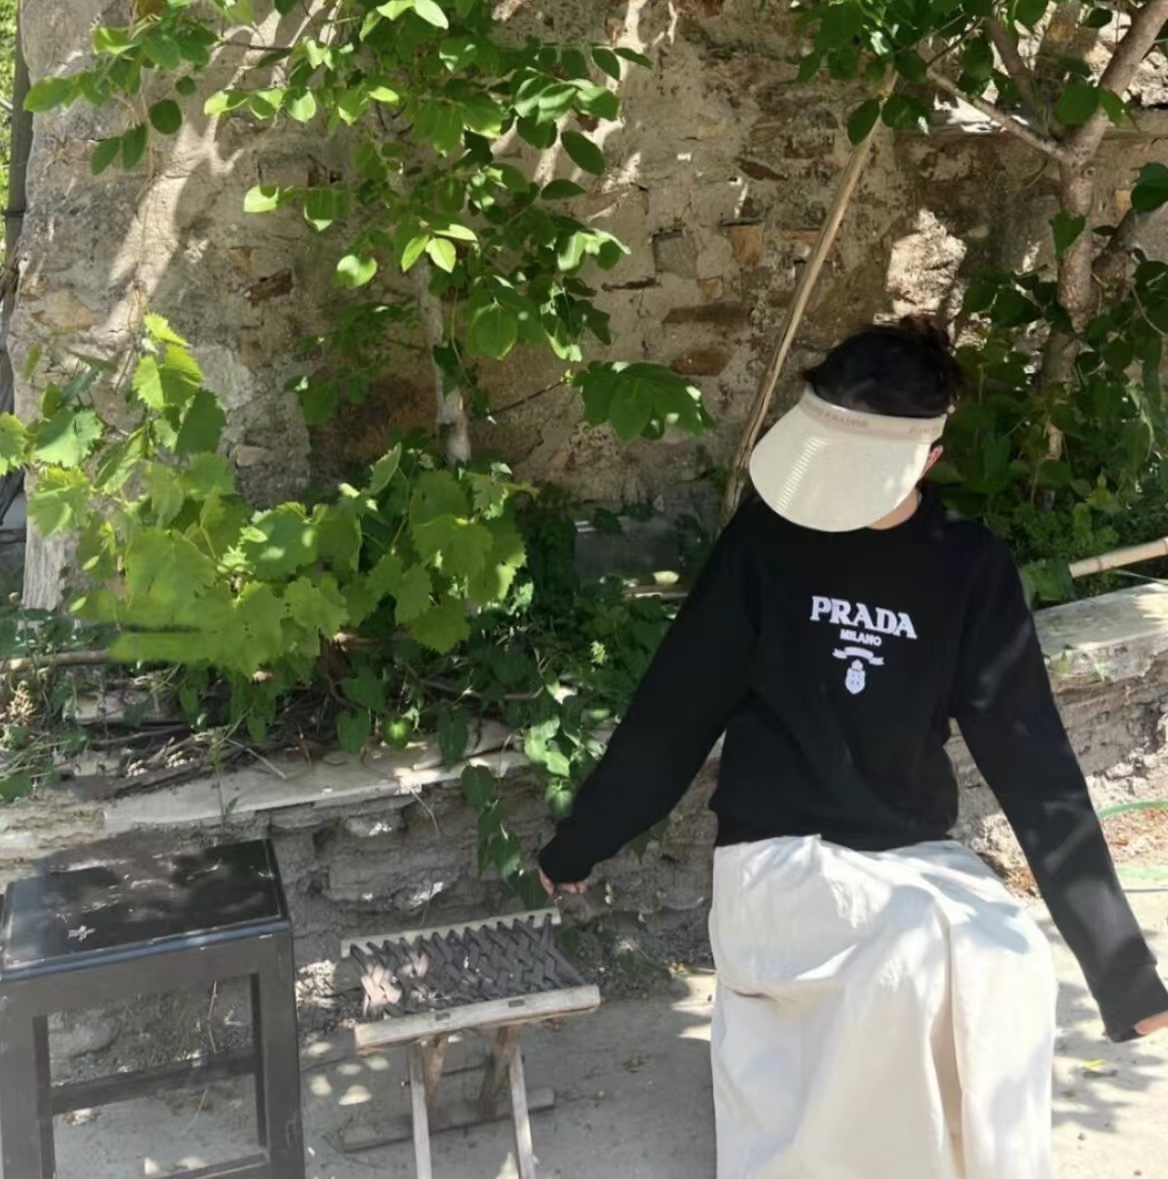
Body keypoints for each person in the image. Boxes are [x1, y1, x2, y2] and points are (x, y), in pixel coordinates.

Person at [537, 317, 1168, 1179]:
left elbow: (1037, 766)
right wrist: (579, 845)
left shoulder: (969, 567)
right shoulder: (765, 540)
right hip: (778, 858)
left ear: (931, 458)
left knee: (1008, 959)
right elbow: (673, 713)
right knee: (905, 956)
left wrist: (1124, 971)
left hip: (912, 856)